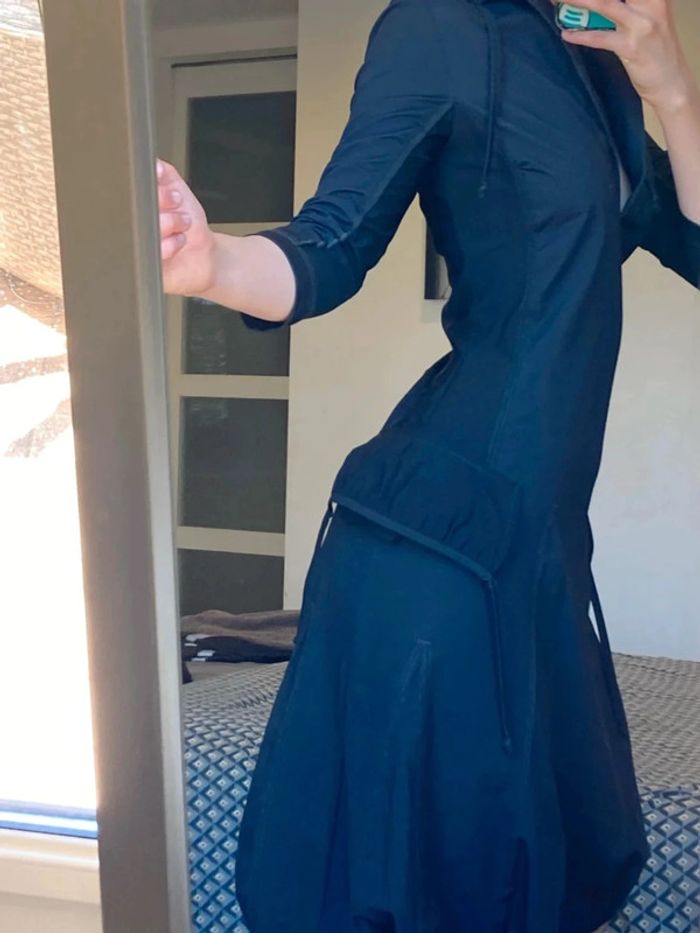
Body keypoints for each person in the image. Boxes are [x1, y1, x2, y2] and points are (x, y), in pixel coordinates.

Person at [158, 0, 700, 929]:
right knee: (444, 884)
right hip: (444, 540)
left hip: (539, 535)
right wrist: (212, 263)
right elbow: (332, 243)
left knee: (544, 866)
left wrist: (674, 92)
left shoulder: (595, 60)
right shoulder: (438, 26)